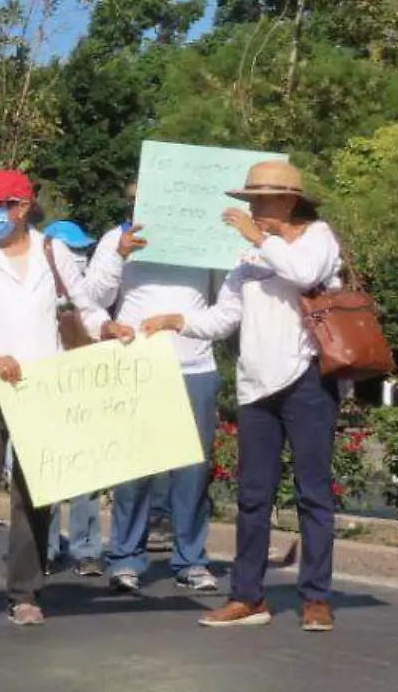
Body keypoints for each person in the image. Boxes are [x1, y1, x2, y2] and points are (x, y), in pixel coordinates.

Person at [143, 160, 343, 632]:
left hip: (309, 380)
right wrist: (176, 321)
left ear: (289, 200)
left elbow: (304, 271)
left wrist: (260, 237)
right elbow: (222, 319)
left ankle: (316, 596)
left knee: (313, 492)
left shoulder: (318, 237)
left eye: (261, 198)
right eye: (249, 199)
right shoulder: (249, 259)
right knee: (252, 496)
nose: (251, 207)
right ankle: (247, 596)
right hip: (256, 386)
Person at [0, 170, 114, 627]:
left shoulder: (53, 252)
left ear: (20, 207)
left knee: (35, 494)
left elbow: (83, 306)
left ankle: (26, 592)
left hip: (42, 388)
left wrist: (107, 328)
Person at [81, 188, 225, 595]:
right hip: (136, 364)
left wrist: (183, 324)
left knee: (192, 471)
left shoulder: (206, 243)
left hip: (195, 365)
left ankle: (192, 560)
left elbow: (223, 302)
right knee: (132, 469)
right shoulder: (116, 238)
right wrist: (119, 254)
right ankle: (125, 558)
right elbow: (92, 299)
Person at [36, 218, 104, 578]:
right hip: (43, 386)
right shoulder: (32, 288)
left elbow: (98, 319)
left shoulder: (86, 292)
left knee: (85, 468)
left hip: (81, 384)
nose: (79, 257)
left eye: (82, 250)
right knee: (44, 471)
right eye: (72, 249)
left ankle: (86, 548)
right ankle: (44, 547)